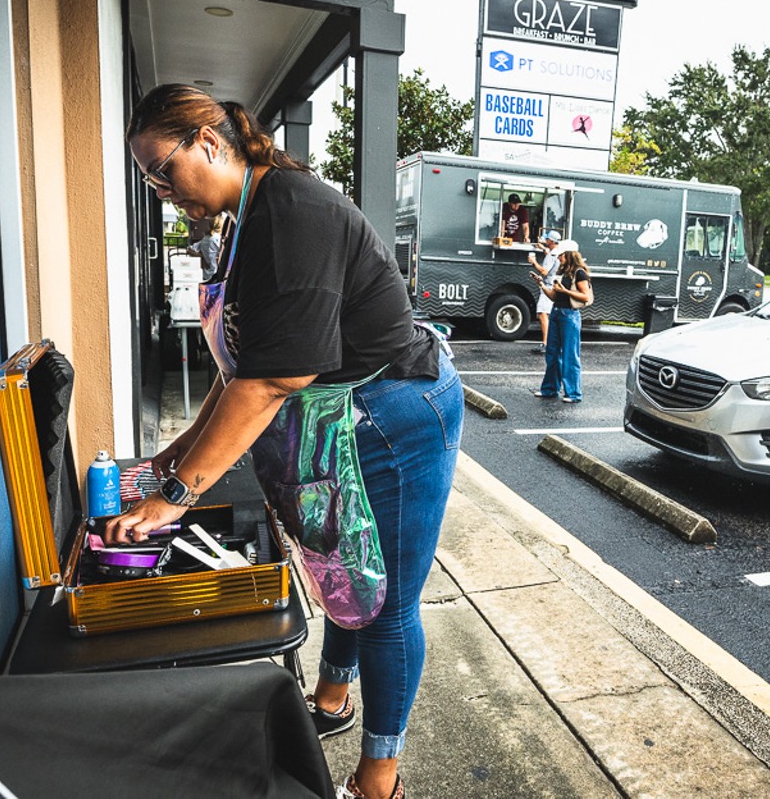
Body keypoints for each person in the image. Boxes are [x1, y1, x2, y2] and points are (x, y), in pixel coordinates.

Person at [111, 83, 462, 799]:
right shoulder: (247, 216)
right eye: (148, 179)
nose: (158, 190)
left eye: (161, 172)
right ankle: (332, 701)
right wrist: (171, 457)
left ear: (208, 143)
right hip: (337, 414)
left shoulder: (293, 214)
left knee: (386, 598)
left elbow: (274, 380)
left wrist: (178, 497)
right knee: (338, 571)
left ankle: (379, 778)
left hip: (394, 413)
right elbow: (241, 363)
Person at [531, 240, 590, 403]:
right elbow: (554, 297)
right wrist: (542, 285)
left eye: (561, 255)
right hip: (556, 312)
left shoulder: (580, 273)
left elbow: (586, 297)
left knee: (570, 355)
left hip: (570, 315)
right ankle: (549, 389)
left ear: (569, 255)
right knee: (552, 352)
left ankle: (573, 393)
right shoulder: (563, 272)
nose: (559, 259)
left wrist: (565, 290)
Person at [526, 230, 562, 354]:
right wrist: (543, 248)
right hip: (555, 286)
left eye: (547, 239)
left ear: (551, 241)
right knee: (551, 315)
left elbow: (545, 272)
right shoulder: (557, 252)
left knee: (542, 313)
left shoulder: (551, 255)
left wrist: (534, 262)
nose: (545, 240)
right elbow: (550, 255)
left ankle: (546, 343)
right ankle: (553, 342)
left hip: (548, 287)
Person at [187, 215, 224, 280]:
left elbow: (189, 249)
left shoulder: (206, 238)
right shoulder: (218, 239)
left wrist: (201, 257)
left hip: (206, 274)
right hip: (217, 274)